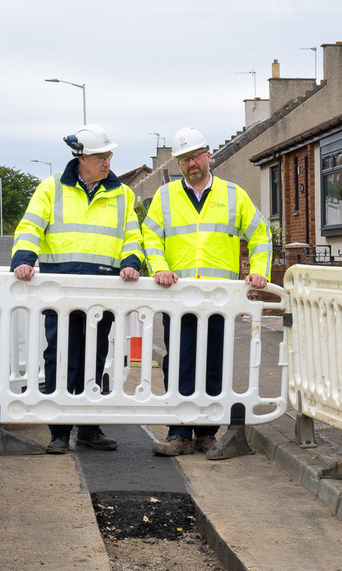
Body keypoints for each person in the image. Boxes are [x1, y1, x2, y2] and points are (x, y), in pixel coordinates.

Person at [11, 123, 144, 454]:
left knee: (95, 357)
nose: (107, 162)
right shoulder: (52, 188)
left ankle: (88, 428)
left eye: (109, 155)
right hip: (61, 288)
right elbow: (30, 225)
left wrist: (132, 261)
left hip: (103, 288)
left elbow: (133, 235)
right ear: (81, 158)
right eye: (100, 156)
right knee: (60, 356)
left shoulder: (122, 194)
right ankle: (59, 431)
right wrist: (23, 259)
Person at [141, 127, 272, 458]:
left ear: (208, 155)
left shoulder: (233, 194)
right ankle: (180, 432)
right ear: (179, 163)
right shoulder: (166, 196)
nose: (191, 164)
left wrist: (259, 271)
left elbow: (260, 235)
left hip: (218, 297)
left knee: (214, 362)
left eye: (196, 156)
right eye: (184, 159)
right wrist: (158, 267)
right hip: (179, 296)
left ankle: (207, 433)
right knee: (181, 362)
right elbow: (151, 237)